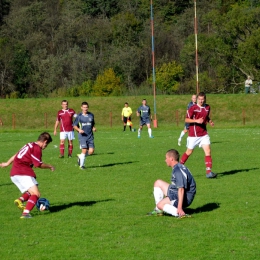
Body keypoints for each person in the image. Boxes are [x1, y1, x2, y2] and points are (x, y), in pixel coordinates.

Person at [0, 132, 55, 219]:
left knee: (32, 190)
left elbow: (16, 155)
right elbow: (38, 164)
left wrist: (7, 163)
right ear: (45, 141)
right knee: (36, 194)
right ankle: (25, 214)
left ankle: (20, 200)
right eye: (47, 144)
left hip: (14, 173)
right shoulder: (37, 148)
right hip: (23, 172)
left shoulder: (30, 144)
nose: (46, 146)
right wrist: (50, 166)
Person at [147, 149, 196, 218]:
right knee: (158, 183)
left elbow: (181, 189)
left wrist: (179, 207)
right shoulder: (178, 167)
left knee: (160, 205)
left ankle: (180, 214)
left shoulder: (178, 171)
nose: (165, 160)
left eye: (166, 158)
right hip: (177, 192)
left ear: (171, 159)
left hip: (185, 197)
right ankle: (159, 210)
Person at [180, 92, 216, 178]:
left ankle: (208, 172)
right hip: (194, 135)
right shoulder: (193, 108)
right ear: (197, 99)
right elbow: (186, 119)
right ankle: (178, 168)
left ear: (205, 99)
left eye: (202, 99)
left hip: (203, 134)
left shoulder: (207, 107)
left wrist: (210, 121)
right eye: (199, 99)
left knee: (208, 151)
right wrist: (196, 121)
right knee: (189, 152)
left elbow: (206, 116)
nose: (201, 101)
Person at [73, 102, 96, 170]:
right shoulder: (79, 116)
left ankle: (80, 157)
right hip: (82, 136)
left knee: (91, 151)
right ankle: (81, 166)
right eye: (84, 107)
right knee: (84, 150)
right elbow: (74, 126)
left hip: (90, 136)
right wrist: (79, 130)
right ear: (81, 107)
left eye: (86, 107)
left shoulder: (91, 115)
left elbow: (92, 124)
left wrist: (93, 128)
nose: (85, 108)